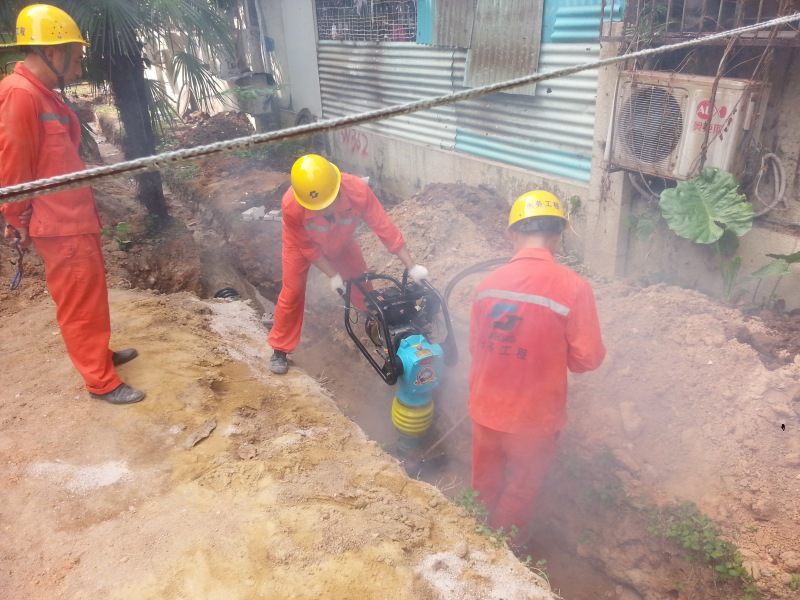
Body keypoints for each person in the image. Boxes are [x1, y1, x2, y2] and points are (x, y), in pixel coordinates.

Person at [0, 4, 144, 405]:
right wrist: (16, 219)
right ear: (53, 52)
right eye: (77, 59)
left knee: (90, 293)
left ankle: (100, 354)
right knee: (79, 301)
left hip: (75, 217)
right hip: (58, 223)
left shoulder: (41, 94)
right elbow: (12, 168)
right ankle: (101, 382)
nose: (80, 70)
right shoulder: (19, 94)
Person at [467, 190, 605, 544]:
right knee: (521, 488)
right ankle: (504, 551)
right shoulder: (574, 288)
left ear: (512, 234)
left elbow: (476, 348)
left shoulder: (486, 286)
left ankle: (474, 542)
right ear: (557, 236)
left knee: (484, 481)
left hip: (485, 409)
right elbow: (587, 359)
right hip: (533, 419)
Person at [268, 154, 428, 374]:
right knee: (292, 291)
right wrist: (333, 275)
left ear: (337, 189)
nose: (323, 211)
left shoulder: (357, 190)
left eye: (328, 204)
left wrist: (412, 267)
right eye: (318, 208)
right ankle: (280, 349)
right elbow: (309, 248)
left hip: (341, 240)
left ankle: (376, 324)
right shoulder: (291, 205)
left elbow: (385, 228)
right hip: (300, 246)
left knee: (362, 284)